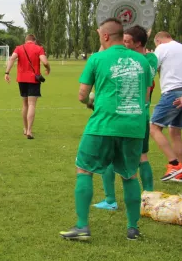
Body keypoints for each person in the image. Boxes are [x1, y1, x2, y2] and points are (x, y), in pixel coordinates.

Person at [60, 18, 152, 241]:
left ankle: (82, 226)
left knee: (84, 170)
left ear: (105, 36)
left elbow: (83, 95)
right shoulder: (142, 61)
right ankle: (133, 229)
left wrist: (91, 102)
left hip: (103, 124)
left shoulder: (97, 58)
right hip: (134, 126)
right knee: (130, 175)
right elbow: (145, 94)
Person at [93, 25, 157, 210]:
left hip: (118, 116)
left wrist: (103, 40)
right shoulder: (150, 59)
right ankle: (149, 197)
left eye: (127, 41)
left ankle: (110, 200)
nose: (122, 44)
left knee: (109, 158)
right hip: (141, 115)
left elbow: (102, 61)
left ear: (137, 44)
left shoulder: (128, 62)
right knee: (142, 157)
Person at [149, 31, 182, 182]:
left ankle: (174, 164)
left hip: (173, 92)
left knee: (154, 128)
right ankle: (179, 172)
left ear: (158, 41)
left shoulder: (162, 48)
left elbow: (151, 69)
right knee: (175, 132)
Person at [4, 34, 50, 139]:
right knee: (32, 104)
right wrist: (48, 68)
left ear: (26, 41)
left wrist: (7, 72)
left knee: (25, 105)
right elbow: (44, 61)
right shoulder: (39, 48)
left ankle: (25, 129)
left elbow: (12, 59)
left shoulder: (19, 48)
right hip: (34, 80)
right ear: (34, 40)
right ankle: (29, 130)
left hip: (21, 79)